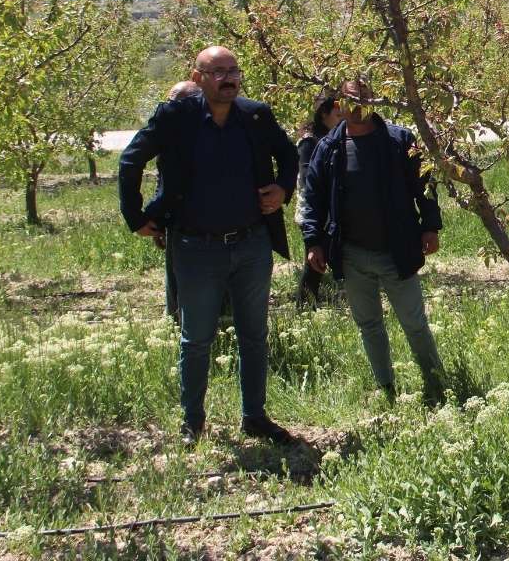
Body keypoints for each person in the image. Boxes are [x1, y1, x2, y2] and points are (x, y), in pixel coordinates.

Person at [119, 46, 299, 447]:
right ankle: (192, 423)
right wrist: (136, 217)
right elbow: (131, 161)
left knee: (254, 335)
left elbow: (289, 154)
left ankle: (255, 417)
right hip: (196, 248)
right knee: (197, 339)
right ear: (197, 78)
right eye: (217, 71)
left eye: (233, 70)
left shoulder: (256, 115)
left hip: (251, 244)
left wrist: (283, 188)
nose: (227, 78)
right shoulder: (175, 117)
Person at [300, 78, 446, 404]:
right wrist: (313, 242)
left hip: (397, 249)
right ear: (338, 104)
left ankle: (437, 387)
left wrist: (430, 226)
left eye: (365, 97)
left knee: (414, 323)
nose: (359, 105)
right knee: (369, 324)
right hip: (351, 254)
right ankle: (387, 391)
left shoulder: (399, 140)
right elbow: (314, 199)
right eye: (351, 99)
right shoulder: (329, 148)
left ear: (375, 100)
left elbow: (425, 185)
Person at [156, 80, 203, 319]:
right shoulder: (168, 134)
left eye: (177, 102)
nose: (171, 107)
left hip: (215, 228)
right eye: (169, 102)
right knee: (177, 281)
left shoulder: (216, 130)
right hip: (178, 224)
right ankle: (177, 322)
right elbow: (163, 180)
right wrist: (158, 220)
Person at [294, 89, 342, 309]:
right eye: (337, 115)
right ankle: (305, 306)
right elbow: (308, 179)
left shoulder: (335, 138)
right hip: (314, 211)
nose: (342, 119)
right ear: (323, 114)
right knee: (314, 262)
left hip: (332, 209)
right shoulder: (309, 141)